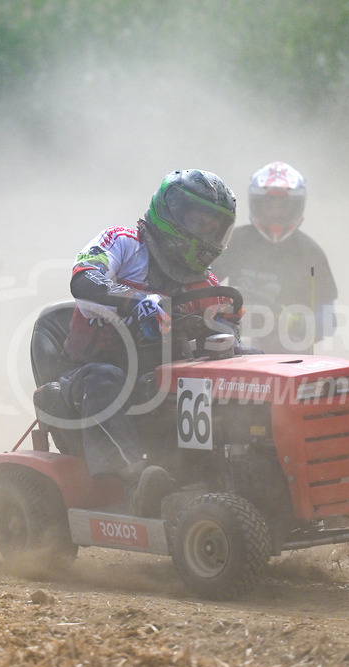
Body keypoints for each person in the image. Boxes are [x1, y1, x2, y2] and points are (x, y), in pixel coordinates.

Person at [42, 169, 238, 518]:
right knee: (104, 377)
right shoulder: (122, 242)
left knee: (245, 362)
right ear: (171, 213)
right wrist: (134, 300)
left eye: (214, 228)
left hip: (157, 382)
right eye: (198, 221)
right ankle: (133, 483)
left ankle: (241, 466)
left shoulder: (205, 281)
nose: (206, 235)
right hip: (86, 378)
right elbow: (85, 280)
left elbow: (220, 341)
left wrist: (226, 330)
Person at [211, 161, 338, 353]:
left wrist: (289, 319)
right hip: (235, 353)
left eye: (283, 206)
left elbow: (328, 321)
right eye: (268, 206)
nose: (276, 213)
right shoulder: (234, 240)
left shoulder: (311, 253)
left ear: (298, 206)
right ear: (255, 204)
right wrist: (218, 312)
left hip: (291, 359)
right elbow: (203, 285)